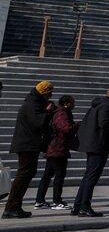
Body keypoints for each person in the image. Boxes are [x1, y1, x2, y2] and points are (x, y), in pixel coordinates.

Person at [72, 86, 109, 217]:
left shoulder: (98, 104)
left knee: (88, 175)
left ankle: (78, 206)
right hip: (99, 145)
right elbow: (104, 123)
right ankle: (84, 207)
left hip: (93, 144)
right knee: (92, 176)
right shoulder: (107, 106)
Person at [4, 80, 55, 219]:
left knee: (28, 173)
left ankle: (15, 206)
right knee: (24, 174)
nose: (51, 95)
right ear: (43, 92)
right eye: (49, 92)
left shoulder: (34, 103)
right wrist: (48, 112)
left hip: (29, 144)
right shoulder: (31, 104)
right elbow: (38, 123)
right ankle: (11, 207)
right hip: (26, 144)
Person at [35, 94, 77, 210]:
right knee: (59, 175)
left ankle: (39, 201)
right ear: (66, 103)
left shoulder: (59, 112)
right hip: (58, 149)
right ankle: (57, 201)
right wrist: (77, 126)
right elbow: (65, 128)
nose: (74, 105)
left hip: (54, 148)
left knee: (47, 175)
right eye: (72, 102)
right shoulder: (61, 113)